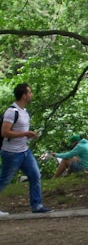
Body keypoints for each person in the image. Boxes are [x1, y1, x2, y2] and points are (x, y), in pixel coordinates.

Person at [0, 83, 53, 215]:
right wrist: (25, 134)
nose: (31, 95)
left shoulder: (24, 112)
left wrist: (30, 135)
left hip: (24, 151)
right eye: (29, 92)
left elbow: (20, 132)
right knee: (4, 180)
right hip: (11, 153)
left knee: (35, 175)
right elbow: (5, 132)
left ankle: (37, 205)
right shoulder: (12, 112)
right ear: (24, 96)